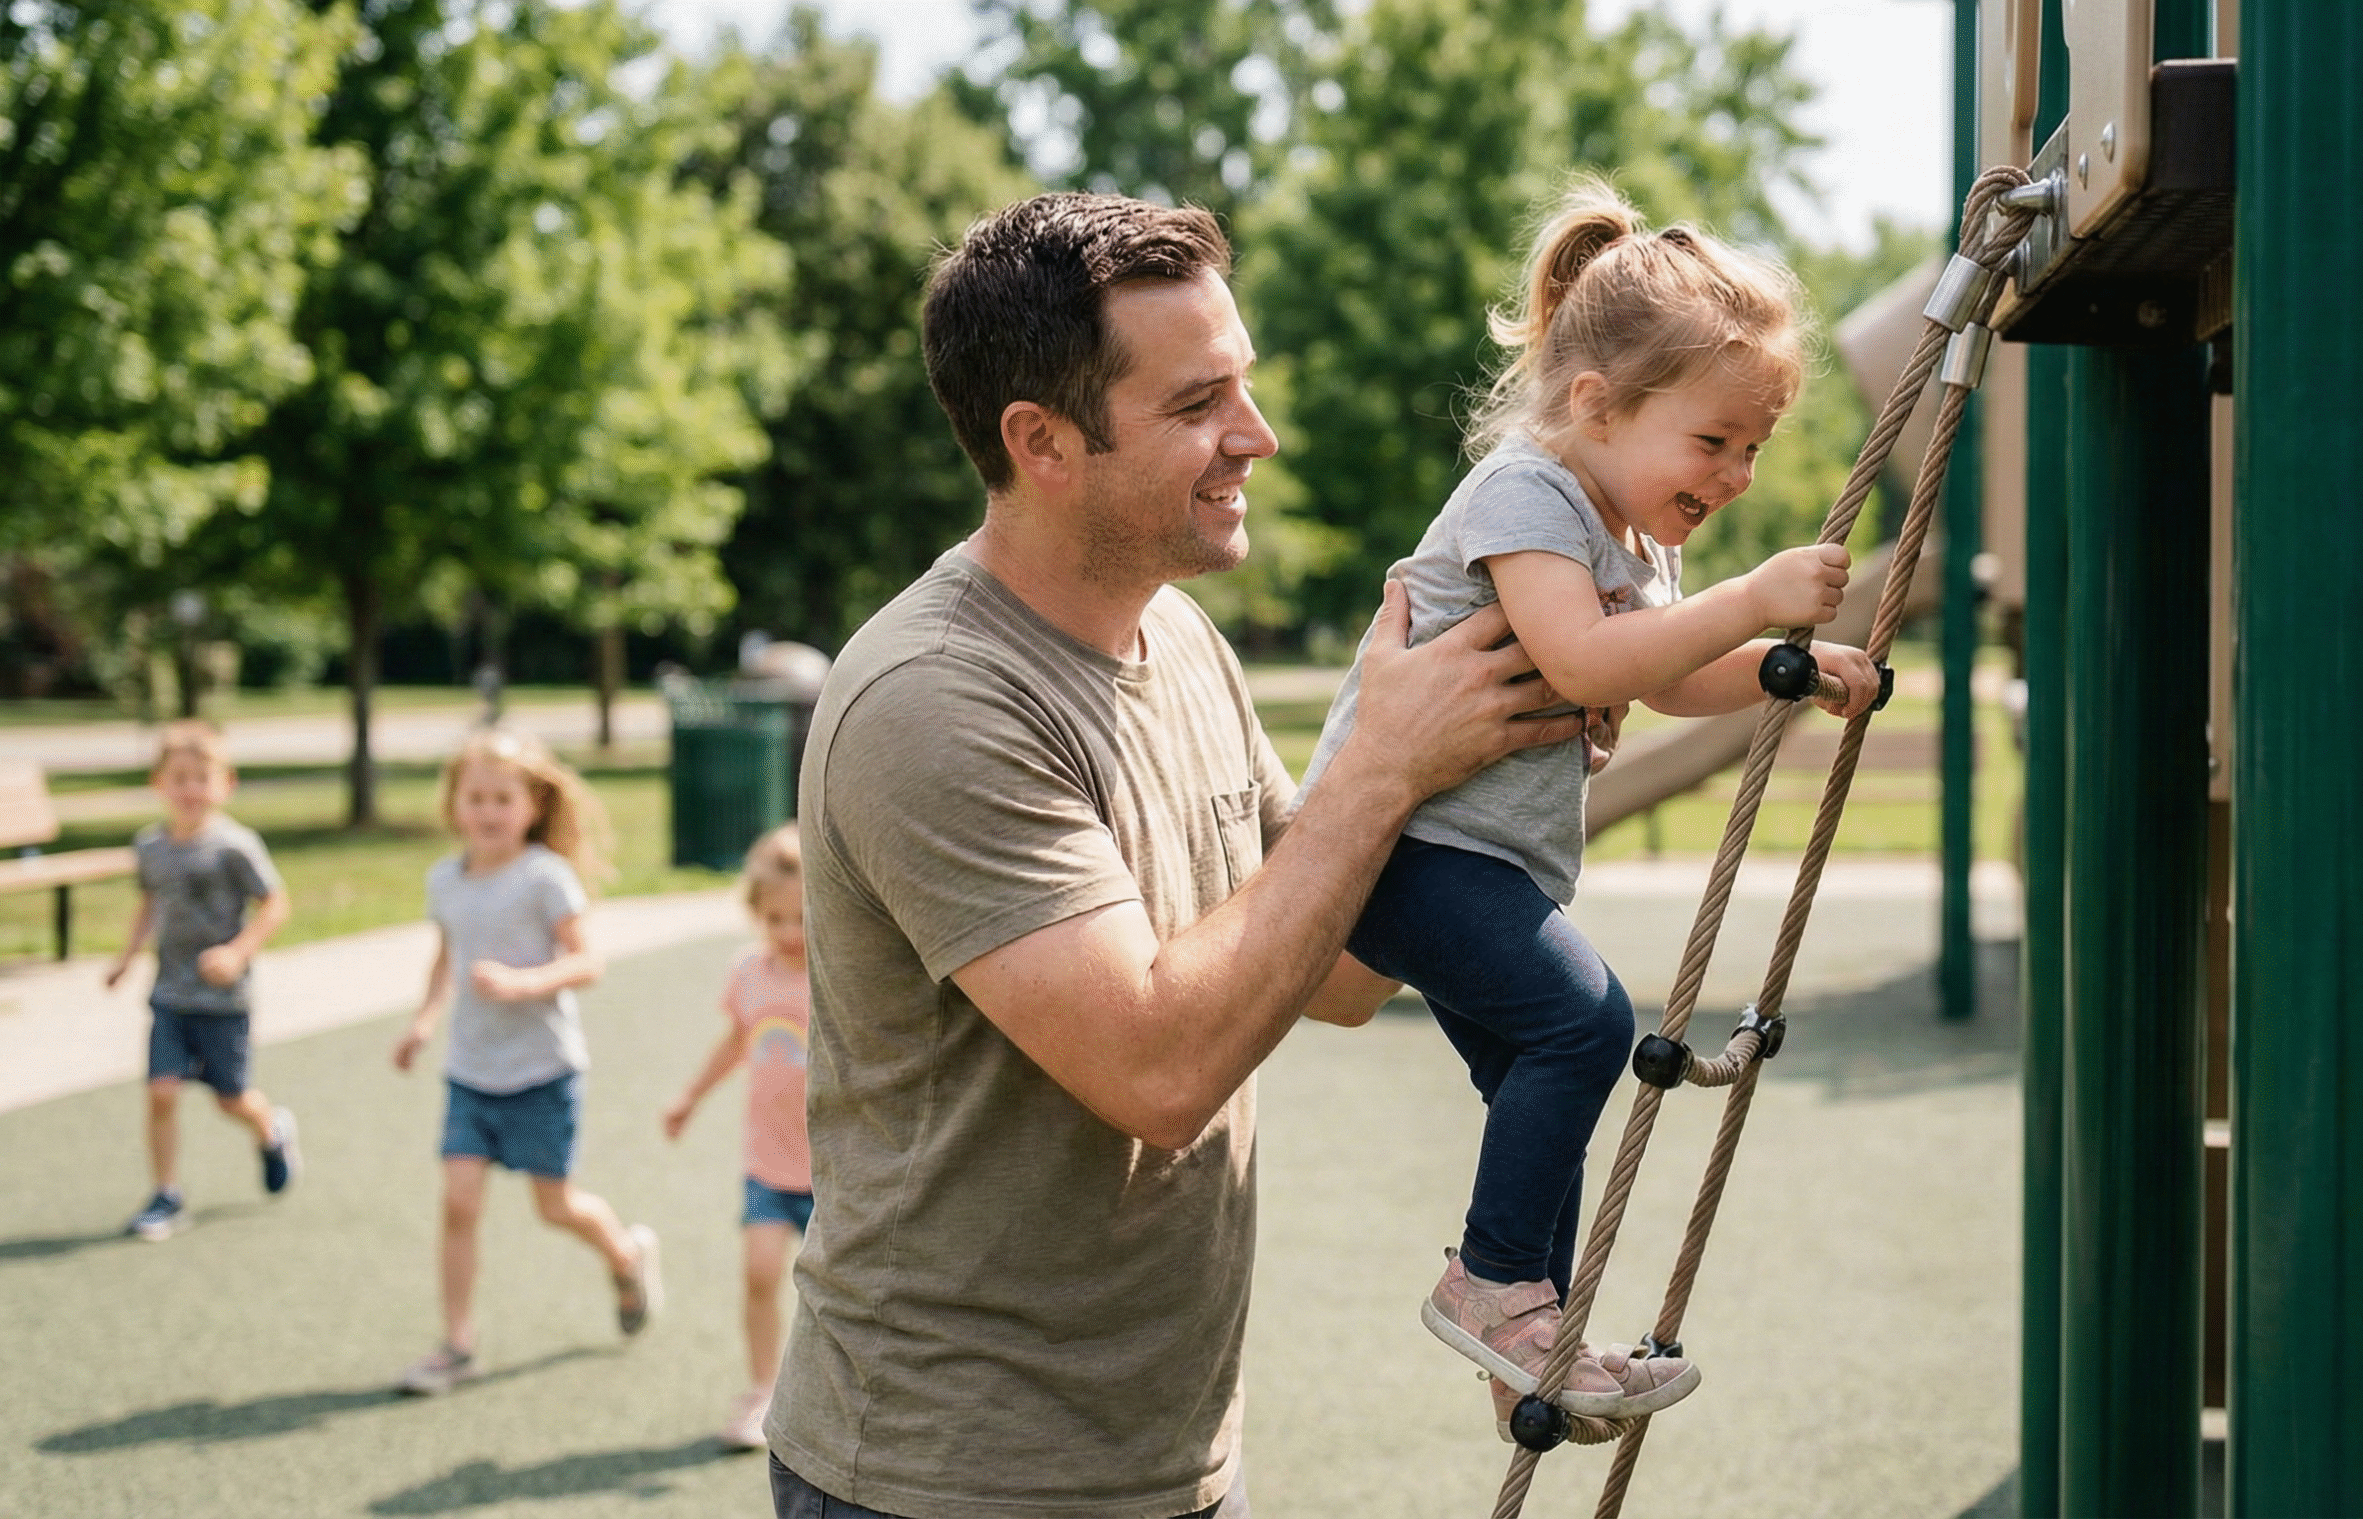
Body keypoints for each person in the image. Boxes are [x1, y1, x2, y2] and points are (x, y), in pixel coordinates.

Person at [765, 191, 1589, 1519]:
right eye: (1200, 403)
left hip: (1168, 1458)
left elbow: (1334, 969)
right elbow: (1158, 1068)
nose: (1254, 436)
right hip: (944, 1479)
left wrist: (1527, 728)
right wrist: (1383, 761)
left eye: (1244, 386)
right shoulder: (931, 698)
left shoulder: (1182, 640)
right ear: (1040, 441)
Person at [1296, 180, 1882, 1435]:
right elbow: (1581, 661)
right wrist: (1756, 603)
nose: (1735, 473)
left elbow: (1660, 675)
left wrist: (1791, 667)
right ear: (1595, 405)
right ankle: (1494, 1281)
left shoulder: (1627, 530)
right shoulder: (1528, 496)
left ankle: (1533, 1323)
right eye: (1713, 440)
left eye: (1754, 446)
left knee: (1539, 1068)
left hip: (1480, 859)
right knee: (1584, 1022)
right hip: (1405, 842)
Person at [388, 729, 660, 1395]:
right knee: (458, 1201)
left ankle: (626, 1255)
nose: (487, 810)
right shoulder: (445, 880)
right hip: (470, 1071)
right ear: (455, 804)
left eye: (502, 797)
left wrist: (522, 982)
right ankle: (457, 1345)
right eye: (474, 797)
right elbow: (444, 958)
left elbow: (587, 961)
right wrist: (424, 1021)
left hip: (543, 1071)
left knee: (556, 1205)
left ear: (532, 805)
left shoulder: (545, 877)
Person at [106, 720, 299, 1241]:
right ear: (159, 783)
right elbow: (149, 904)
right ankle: (166, 1195)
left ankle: (270, 1129)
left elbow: (276, 903)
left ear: (225, 784)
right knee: (161, 1092)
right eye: (179, 777)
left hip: (224, 1001)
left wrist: (238, 952)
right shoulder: (149, 846)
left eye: (201, 777)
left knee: (230, 1099)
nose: (190, 788)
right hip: (170, 995)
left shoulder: (236, 846)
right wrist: (126, 959)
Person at [662, 823, 811, 1450]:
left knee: (849, 1298)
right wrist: (689, 1098)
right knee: (760, 1273)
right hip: (769, 1166)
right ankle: (761, 1391)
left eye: (803, 919)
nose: (788, 933)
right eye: (774, 919)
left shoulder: (843, 973)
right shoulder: (749, 973)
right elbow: (736, 1042)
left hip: (838, 1170)